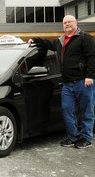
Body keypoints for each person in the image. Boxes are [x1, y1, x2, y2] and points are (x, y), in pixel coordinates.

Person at [28, 15, 95, 149]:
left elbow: (92, 56)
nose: (67, 24)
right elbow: (48, 43)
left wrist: (90, 76)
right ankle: (73, 137)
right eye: (64, 22)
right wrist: (35, 39)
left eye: (69, 22)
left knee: (87, 111)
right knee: (66, 110)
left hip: (83, 81)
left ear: (76, 23)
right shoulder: (61, 41)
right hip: (67, 84)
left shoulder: (84, 38)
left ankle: (86, 138)